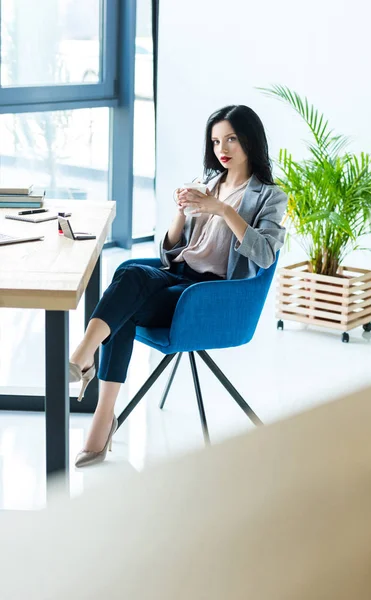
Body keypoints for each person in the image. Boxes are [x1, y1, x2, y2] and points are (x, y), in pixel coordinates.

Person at [69, 104, 288, 468]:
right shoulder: (208, 183)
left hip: (209, 294)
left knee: (123, 304)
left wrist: (221, 210)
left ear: (250, 139)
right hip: (178, 275)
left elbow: (264, 254)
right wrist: (183, 211)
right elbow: (171, 248)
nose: (223, 148)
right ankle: (93, 385)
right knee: (130, 273)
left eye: (231, 138)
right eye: (217, 140)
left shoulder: (268, 196)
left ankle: (94, 394)